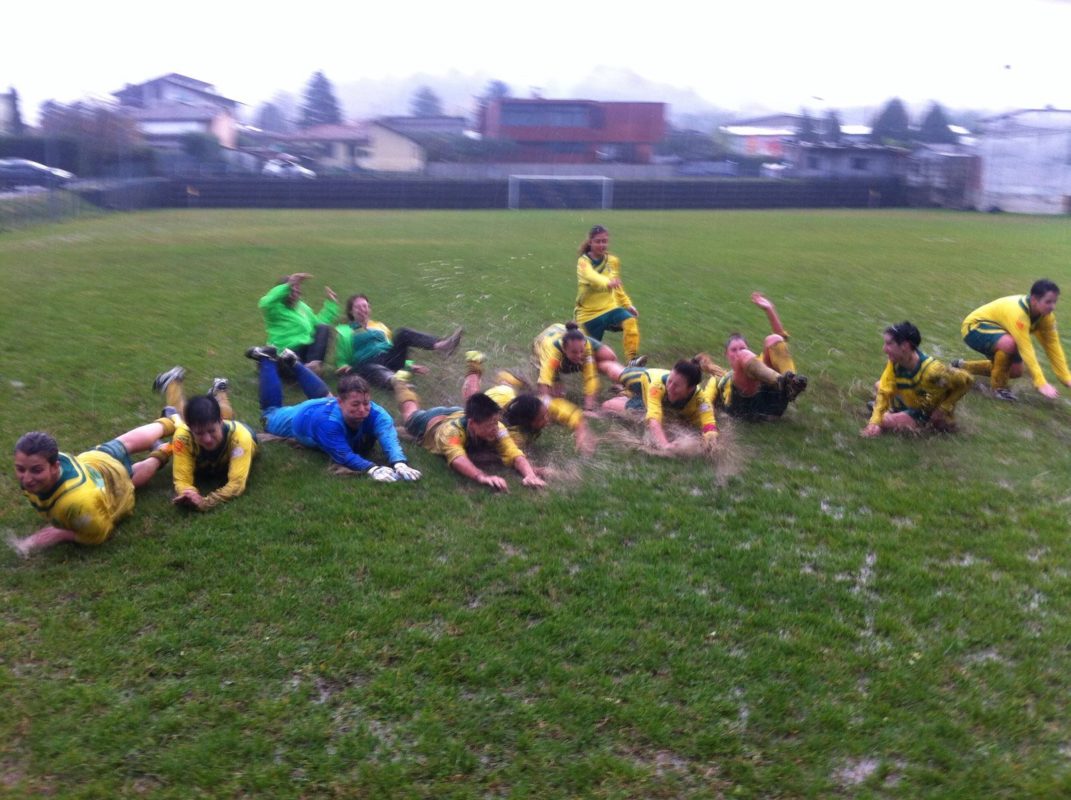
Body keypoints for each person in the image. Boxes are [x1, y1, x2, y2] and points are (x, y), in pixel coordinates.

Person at [9, 416, 177, 557]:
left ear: (55, 466)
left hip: (112, 481)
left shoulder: (77, 502)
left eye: (36, 470)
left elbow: (100, 533)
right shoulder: (47, 459)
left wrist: (61, 533)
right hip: (95, 460)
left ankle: (164, 449)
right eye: (20, 469)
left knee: (128, 481)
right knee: (124, 443)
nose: (27, 479)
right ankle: (172, 422)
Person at [249, 345, 420, 481]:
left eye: (366, 403)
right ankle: (267, 358)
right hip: (302, 416)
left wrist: (399, 462)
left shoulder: (376, 412)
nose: (362, 409)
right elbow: (344, 454)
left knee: (327, 397)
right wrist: (372, 469)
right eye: (356, 404)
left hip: (328, 404)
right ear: (341, 402)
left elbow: (388, 436)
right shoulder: (328, 424)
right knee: (269, 415)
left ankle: (293, 362)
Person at [391, 370, 546, 492]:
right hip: (432, 421)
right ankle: (399, 382)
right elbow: (457, 458)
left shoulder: (497, 427)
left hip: (458, 412)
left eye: (495, 423)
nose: (495, 429)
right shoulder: (451, 433)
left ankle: (474, 369)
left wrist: (530, 475)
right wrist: (482, 477)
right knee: (409, 414)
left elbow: (514, 453)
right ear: (473, 424)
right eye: (489, 425)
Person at [152, 366, 258, 512]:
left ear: (220, 422)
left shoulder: (240, 438)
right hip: (206, 426)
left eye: (211, 431)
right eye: (199, 433)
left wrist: (206, 502)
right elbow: (181, 479)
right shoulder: (183, 435)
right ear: (189, 427)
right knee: (188, 421)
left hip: (243, 431)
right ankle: (211, 389)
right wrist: (188, 493)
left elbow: (236, 484)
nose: (207, 439)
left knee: (226, 414)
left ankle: (219, 390)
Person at [697, 292, 808, 421]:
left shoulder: (758, 364)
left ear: (749, 351)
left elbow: (780, 341)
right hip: (743, 409)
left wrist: (770, 309)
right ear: (726, 354)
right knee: (753, 362)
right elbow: (706, 400)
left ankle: (792, 384)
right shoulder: (717, 378)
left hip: (772, 405)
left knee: (773, 339)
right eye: (733, 350)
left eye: (742, 348)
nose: (738, 352)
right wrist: (707, 423)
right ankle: (784, 383)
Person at [955, 279, 1071, 401]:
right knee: (1010, 344)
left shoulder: (1047, 318)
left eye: (1054, 302)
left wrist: (1066, 378)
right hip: (974, 327)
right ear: (1034, 300)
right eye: (1048, 302)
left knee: (1015, 371)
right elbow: (1025, 348)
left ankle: (962, 367)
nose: (1052, 307)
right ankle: (998, 389)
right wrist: (1040, 382)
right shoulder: (1019, 314)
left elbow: (1053, 346)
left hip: (1000, 330)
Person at [460, 351, 595, 455]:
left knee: (517, 387)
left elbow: (572, 413)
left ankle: (513, 381)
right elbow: (502, 453)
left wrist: (581, 431)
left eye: (546, 414)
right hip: (500, 395)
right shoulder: (514, 435)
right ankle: (474, 365)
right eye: (542, 418)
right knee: (472, 402)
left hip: (511, 397)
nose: (548, 419)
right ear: (528, 422)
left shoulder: (540, 406)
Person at [861, 321, 972, 437]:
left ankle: (894, 414)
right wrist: (874, 421)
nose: (884, 349)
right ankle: (892, 410)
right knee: (879, 385)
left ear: (905, 346)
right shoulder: (895, 362)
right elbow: (885, 389)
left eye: (889, 344)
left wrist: (944, 408)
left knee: (883, 421)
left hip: (925, 412)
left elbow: (968, 380)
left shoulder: (933, 371)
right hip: (912, 400)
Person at [335, 294, 463, 388]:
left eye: (365, 306)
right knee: (370, 368)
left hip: (389, 359)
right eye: (358, 307)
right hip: (366, 363)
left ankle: (443, 346)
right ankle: (396, 383)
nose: (362, 310)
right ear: (351, 311)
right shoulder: (346, 332)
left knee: (402, 332)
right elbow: (342, 359)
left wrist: (409, 365)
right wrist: (343, 366)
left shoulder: (379, 326)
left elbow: (391, 346)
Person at [601, 359, 718, 453]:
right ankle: (597, 357)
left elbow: (709, 424)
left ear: (690, 389)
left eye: (676, 386)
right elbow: (654, 418)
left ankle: (625, 394)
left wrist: (709, 443)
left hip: (652, 400)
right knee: (613, 378)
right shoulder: (658, 386)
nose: (670, 387)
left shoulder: (702, 401)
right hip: (644, 380)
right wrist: (665, 445)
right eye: (670, 381)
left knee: (639, 411)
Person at [574, 225, 642, 362]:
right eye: (598, 241)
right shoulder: (583, 262)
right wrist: (607, 283)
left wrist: (627, 304)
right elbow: (591, 276)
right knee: (587, 358)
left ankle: (632, 361)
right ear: (590, 242)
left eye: (604, 241)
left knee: (630, 321)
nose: (602, 245)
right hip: (588, 315)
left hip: (610, 309)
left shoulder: (612, 261)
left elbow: (617, 286)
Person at [532, 322, 633, 412]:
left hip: (567, 334)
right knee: (557, 395)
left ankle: (625, 385)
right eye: (574, 352)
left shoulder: (584, 345)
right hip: (544, 344)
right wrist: (545, 404)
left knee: (609, 356)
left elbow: (590, 377)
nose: (579, 356)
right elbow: (544, 379)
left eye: (581, 351)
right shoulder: (552, 353)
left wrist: (588, 408)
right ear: (564, 349)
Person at [257, 272, 339, 375]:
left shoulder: (301, 307)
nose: (297, 291)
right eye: (292, 289)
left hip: (304, 353)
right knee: (282, 362)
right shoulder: (275, 308)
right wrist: (288, 285)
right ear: (283, 291)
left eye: (297, 288)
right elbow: (265, 303)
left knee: (323, 328)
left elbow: (317, 324)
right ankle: (302, 372)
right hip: (286, 353)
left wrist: (330, 305)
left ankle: (312, 367)